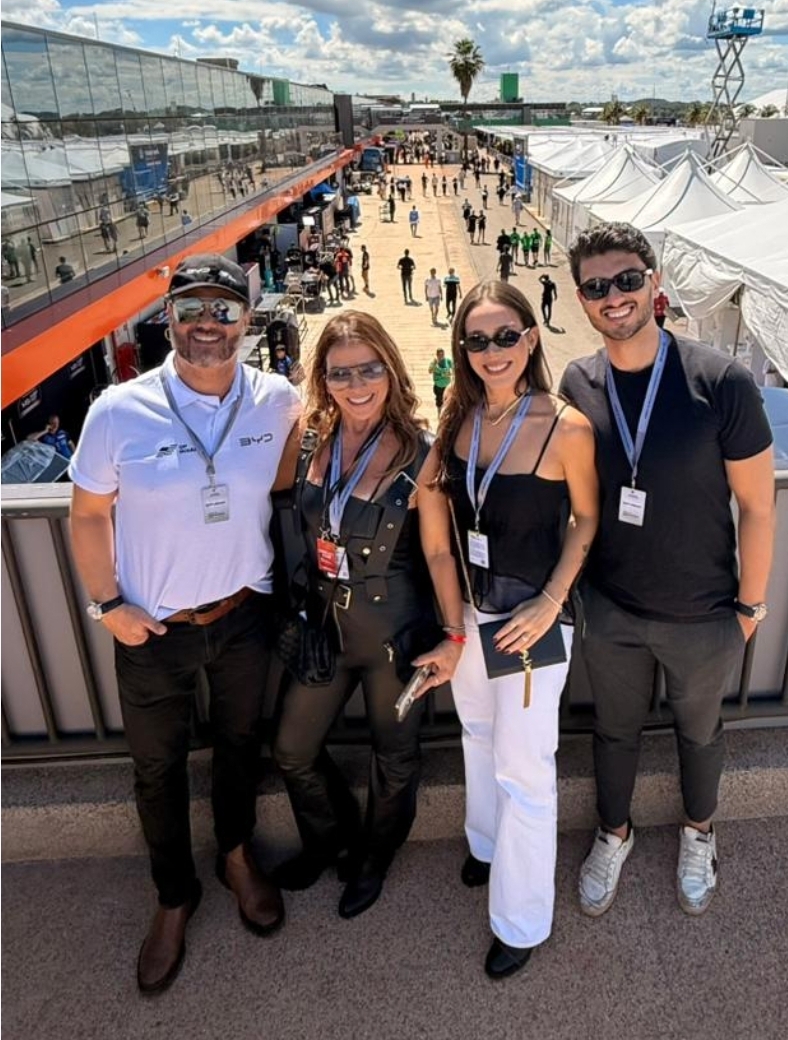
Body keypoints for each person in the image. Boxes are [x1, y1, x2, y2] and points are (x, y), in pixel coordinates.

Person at [68, 255, 300, 994]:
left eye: (223, 310)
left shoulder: (277, 400)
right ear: (166, 318)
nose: (208, 323)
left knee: (239, 746)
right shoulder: (117, 410)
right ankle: (174, 896)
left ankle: (235, 856)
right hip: (153, 630)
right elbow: (88, 514)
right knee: (157, 768)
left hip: (244, 615)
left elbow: (289, 484)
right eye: (191, 308)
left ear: (247, 321)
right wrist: (109, 606)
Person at [558, 223, 775, 921]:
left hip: (704, 614)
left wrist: (749, 609)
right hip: (611, 609)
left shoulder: (722, 381)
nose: (613, 296)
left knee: (700, 733)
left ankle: (698, 832)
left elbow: (758, 507)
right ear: (581, 299)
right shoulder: (578, 381)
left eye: (627, 279)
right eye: (596, 286)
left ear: (654, 282)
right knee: (613, 731)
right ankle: (613, 833)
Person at [414, 281, 599, 979]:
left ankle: (522, 919)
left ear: (531, 337)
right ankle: (487, 845)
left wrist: (552, 600)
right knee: (477, 734)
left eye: (505, 336)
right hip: (470, 616)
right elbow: (432, 502)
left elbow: (587, 519)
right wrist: (453, 620)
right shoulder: (459, 418)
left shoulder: (565, 426)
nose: (492, 351)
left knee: (525, 770)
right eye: (477, 340)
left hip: (531, 622)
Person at [271, 311, 453, 919]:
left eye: (370, 369)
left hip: (394, 635)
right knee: (291, 749)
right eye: (340, 372)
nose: (356, 385)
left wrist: (454, 635)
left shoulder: (421, 453)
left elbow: (438, 552)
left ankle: (375, 857)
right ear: (323, 378)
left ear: (391, 371)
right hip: (325, 626)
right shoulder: (307, 439)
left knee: (394, 755)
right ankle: (329, 837)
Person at [428, 347, 453, 415]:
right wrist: (434, 366)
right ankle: (439, 414)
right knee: (439, 401)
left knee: (448, 400)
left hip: (447, 385)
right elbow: (430, 371)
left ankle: (447, 414)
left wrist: (450, 374)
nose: (441, 356)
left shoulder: (447, 361)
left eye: (442, 354)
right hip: (438, 386)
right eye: (439, 355)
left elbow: (453, 369)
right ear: (437, 355)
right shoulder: (434, 362)